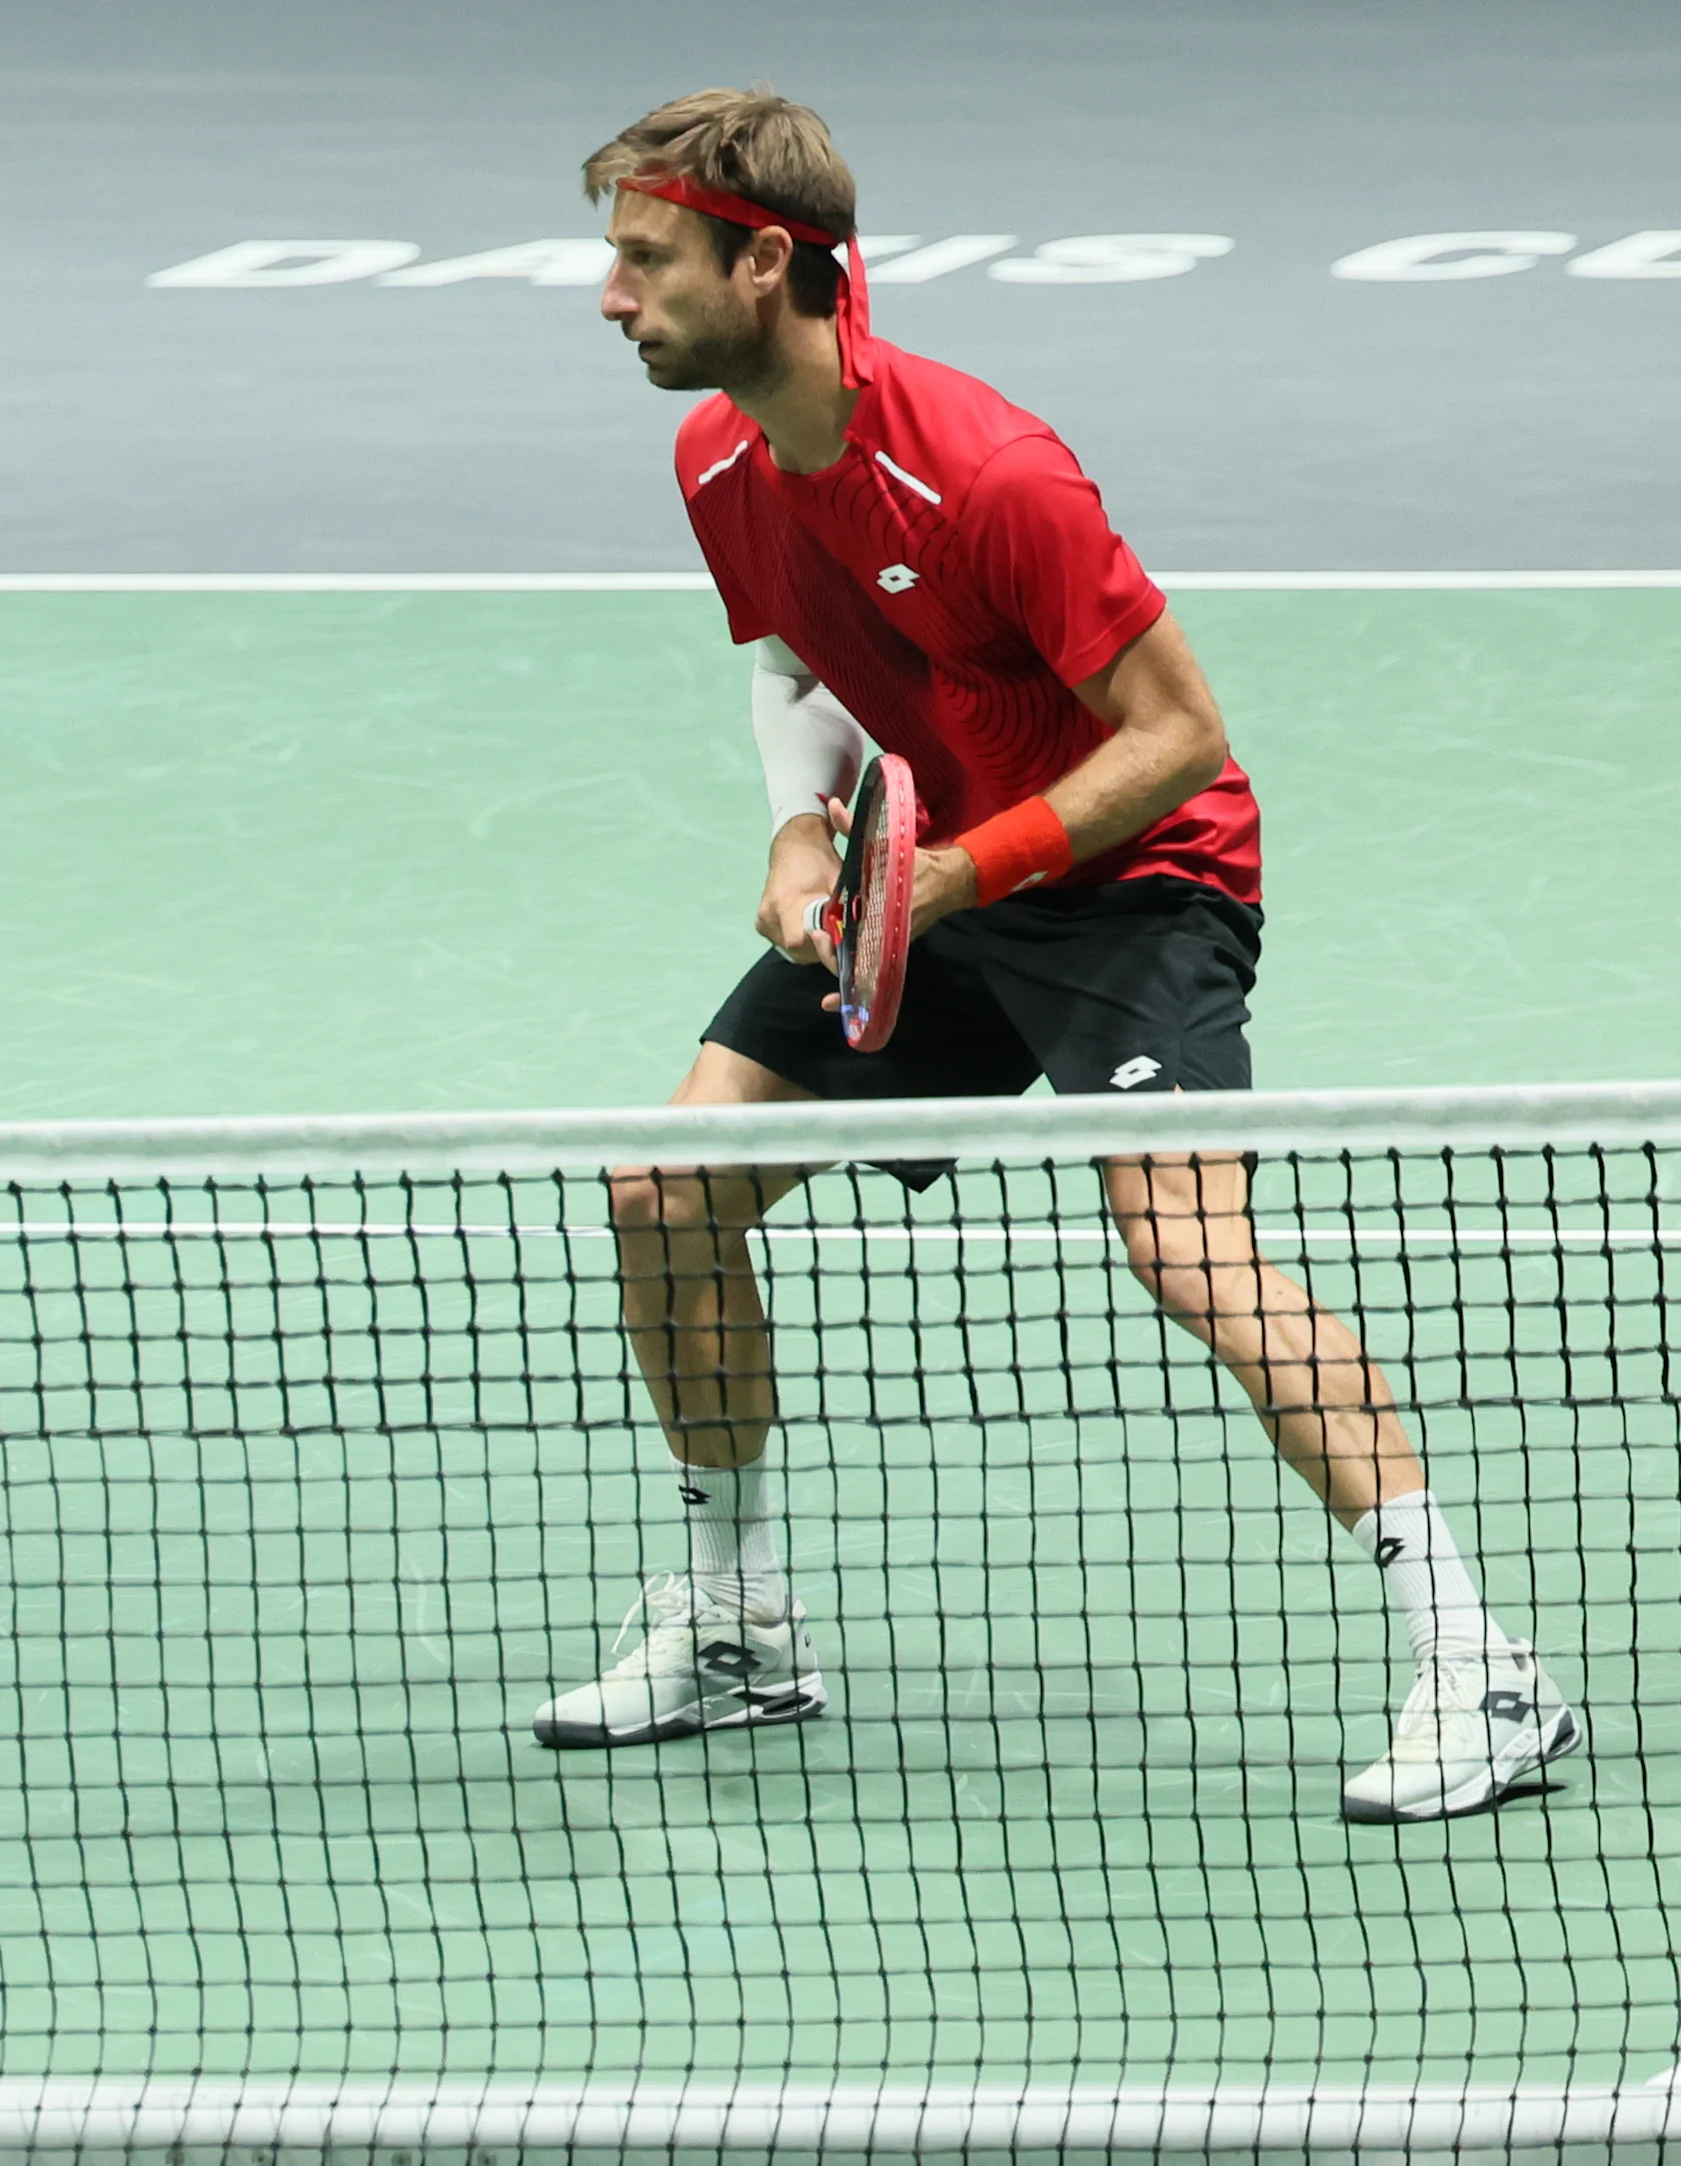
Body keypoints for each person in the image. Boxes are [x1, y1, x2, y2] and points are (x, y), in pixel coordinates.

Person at [542, 90, 1579, 1824]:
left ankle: (1484, 1668)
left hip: (1130, 877)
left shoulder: (992, 473)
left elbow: (1178, 733)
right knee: (664, 1185)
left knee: (1184, 1245)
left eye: (643, 258)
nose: (609, 294)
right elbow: (805, 657)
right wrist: (804, 834)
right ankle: (738, 1625)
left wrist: (955, 872)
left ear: (764, 260)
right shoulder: (722, 452)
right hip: (927, 868)